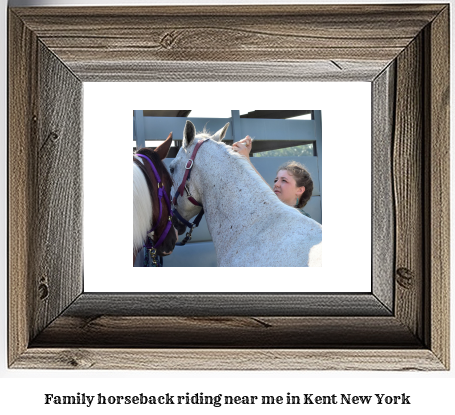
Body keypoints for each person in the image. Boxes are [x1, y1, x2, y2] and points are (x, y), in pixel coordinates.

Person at [232, 136, 313, 217]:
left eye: (284, 180)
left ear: (300, 190)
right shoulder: (268, 213)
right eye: (276, 180)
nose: (276, 184)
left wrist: (246, 159)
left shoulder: (304, 218)